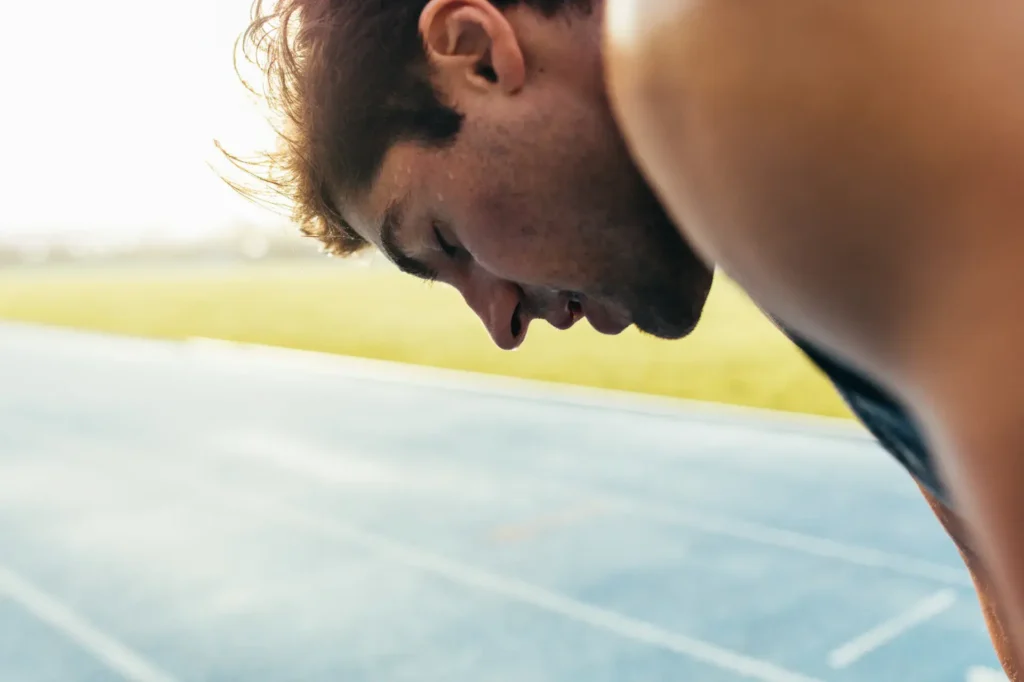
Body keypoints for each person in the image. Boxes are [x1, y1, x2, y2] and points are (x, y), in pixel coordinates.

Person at [225, 0, 1024, 676]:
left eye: (449, 244)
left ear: (478, 54)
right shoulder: (746, 186)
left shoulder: (727, 45)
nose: (498, 322)